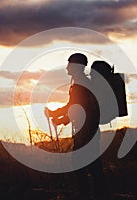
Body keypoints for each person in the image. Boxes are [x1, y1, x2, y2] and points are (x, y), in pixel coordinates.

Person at [44, 53, 106, 199]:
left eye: (69, 64)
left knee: (81, 165)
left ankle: (87, 195)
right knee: (92, 165)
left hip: (85, 133)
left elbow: (73, 107)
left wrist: (56, 115)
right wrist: (60, 118)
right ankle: (98, 194)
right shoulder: (81, 83)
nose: (67, 67)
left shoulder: (80, 85)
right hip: (88, 131)